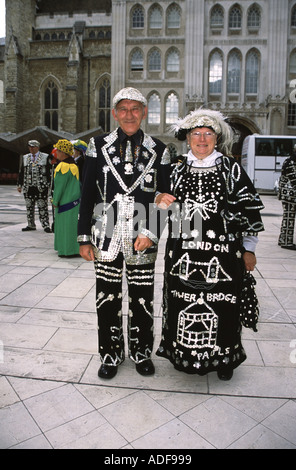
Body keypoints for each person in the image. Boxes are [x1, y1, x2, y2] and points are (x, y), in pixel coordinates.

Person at [156, 109, 264, 381]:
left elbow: (249, 209)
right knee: (183, 303)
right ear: (188, 138)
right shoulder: (176, 170)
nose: (202, 140)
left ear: (216, 138)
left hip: (225, 255)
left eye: (207, 134)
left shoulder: (232, 169)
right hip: (182, 253)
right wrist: (159, 199)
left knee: (224, 306)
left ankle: (224, 359)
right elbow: (156, 200)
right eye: (196, 134)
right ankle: (183, 355)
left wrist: (249, 248)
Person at [78, 87, 173, 379]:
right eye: (124, 109)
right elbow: (87, 194)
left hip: (143, 237)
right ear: (114, 113)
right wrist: (83, 236)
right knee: (106, 299)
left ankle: (142, 353)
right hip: (105, 236)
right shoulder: (96, 146)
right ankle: (110, 355)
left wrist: (153, 232)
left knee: (142, 299)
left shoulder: (160, 150)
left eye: (135, 109)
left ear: (144, 112)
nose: (129, 115)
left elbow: (165, 196)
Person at [52, 139, 81, 257]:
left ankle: (65, 250)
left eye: (58, 150)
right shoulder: (74, 165)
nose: (56, 153)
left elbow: (59, 187)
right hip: (74, 202)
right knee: (72, 226)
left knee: (64, 226)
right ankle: (74, 249)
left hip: (64, 202)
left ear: (63, 152)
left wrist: (55, 201)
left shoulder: (62, 167)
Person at [17, 140, 52, 232]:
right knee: (29, 206)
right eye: (30, 147)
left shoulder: (45, 157)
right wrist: (19, 184)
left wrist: (50, 185)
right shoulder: (25, 157)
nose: (31, 149)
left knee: (43, 207)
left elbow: (49, 172)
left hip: (41, 187)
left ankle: (45, 225)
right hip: (28, 186)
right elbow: (22, 172)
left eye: (33, 147)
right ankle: (31, 224)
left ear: (37, 147)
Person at [278, 144, 296, 250]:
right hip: (290, 196)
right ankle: (286, 242)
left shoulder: (289, 161)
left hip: (288, 195)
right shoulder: (291, 162)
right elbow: (294, 179)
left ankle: (283, 239)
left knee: (288, 218)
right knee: (289, 218)